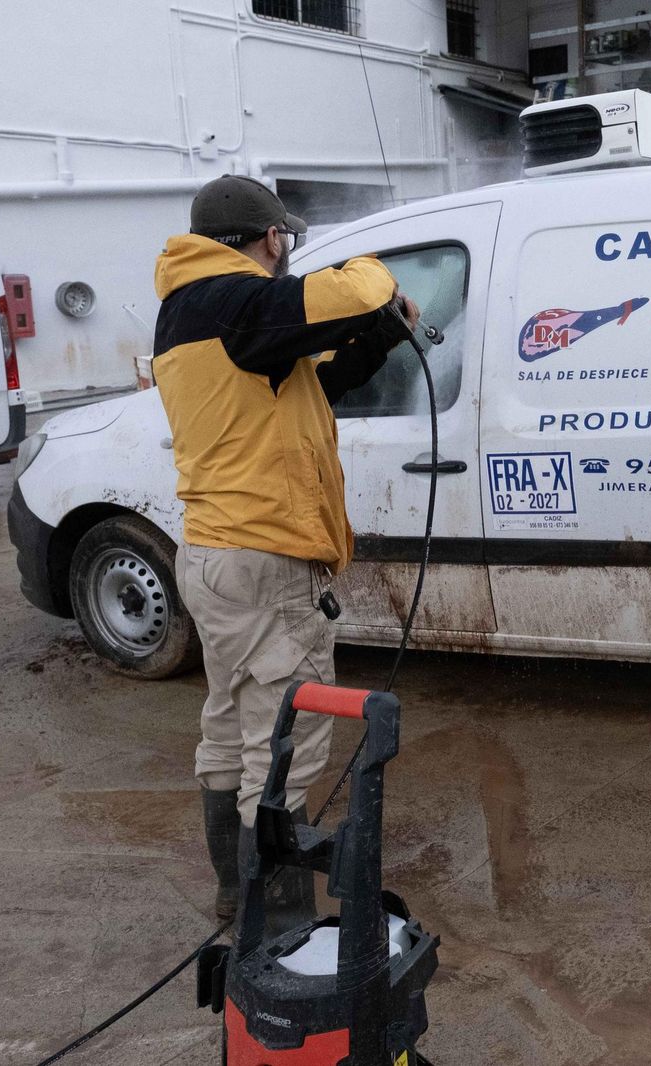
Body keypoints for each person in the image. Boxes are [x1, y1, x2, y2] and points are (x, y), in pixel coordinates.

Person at [151, 174, 416, 928]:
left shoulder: (191, 311)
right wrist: (380, 282)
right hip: (265, 559)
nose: (287, 251)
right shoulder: (236, 301)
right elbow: (355, 287)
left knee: (232, 728)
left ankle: (238, 897)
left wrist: (383, 333)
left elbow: (310, 386)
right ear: (271, 238)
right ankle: (278, 927)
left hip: (214, 552)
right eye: (285, 240)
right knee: (285, 745)